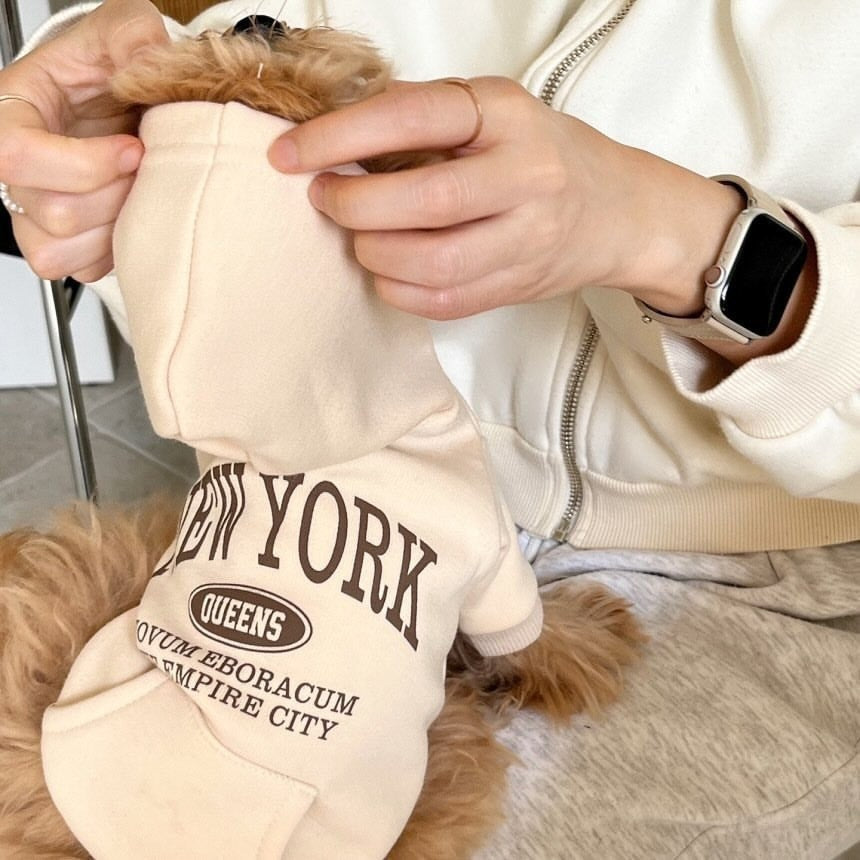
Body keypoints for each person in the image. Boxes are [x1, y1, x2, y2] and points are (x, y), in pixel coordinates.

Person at [1, 0, 858, 857]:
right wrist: (104, 133)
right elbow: (254, 72)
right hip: (298, 471)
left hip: (755, 559)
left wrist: (694, 242)